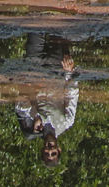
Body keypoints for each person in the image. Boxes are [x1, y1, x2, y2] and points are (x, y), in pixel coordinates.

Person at [14, 37, 79, 166]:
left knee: (36, 29)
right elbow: (72, 95)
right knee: (58, 32)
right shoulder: (67, 122)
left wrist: (36, 116)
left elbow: (19, 103)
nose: (50, 150)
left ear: (42, 150)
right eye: (53, 153)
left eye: (46, 153)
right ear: (59, 149)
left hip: (35, 69)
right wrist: (69, 73)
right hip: (56, 69)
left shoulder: (30, 127)